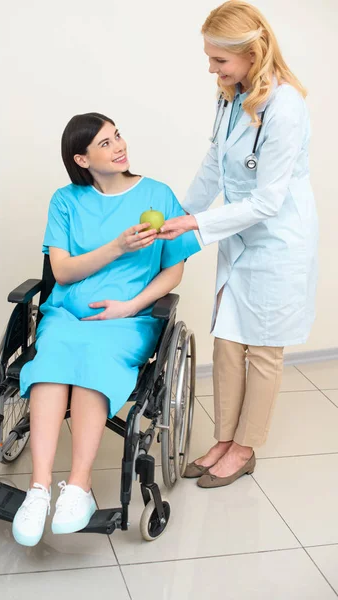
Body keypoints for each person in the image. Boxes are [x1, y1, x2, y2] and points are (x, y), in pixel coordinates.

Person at [12, 112, 200, 546]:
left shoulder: (158, 194)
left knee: (94, 362)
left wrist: (130, 307)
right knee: (52, 362)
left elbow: (174, 271)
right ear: (82, 158)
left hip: (127, 320)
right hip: (66, 315)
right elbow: (60, 271)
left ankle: (78, 488)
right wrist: (117, 246)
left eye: (118, 136)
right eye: (104, 143)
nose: (119, 146)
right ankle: (39, 490)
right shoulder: (66, 200)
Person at [158, 0, 318, 488]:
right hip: (236, 230)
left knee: (264, 349)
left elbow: (268, 200)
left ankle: (245, 448)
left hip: (276, 239)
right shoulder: (232, 93)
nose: (212, 68)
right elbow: (215, 162)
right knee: (227, 341)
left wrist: (197, 226)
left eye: (219, 60)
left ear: (252, 53)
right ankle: (224, 438)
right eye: (209, 58)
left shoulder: (285, 106)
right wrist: (182, 214)